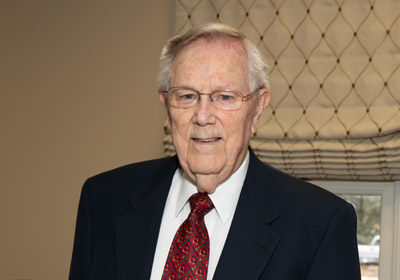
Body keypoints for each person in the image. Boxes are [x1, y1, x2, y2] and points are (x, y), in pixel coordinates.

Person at [69, 23, 361, 280]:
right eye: (187, 96)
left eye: (224, 97)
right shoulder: (104, 200)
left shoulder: (320, 225)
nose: (203, 116)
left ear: (258, 107)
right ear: (166, 104)